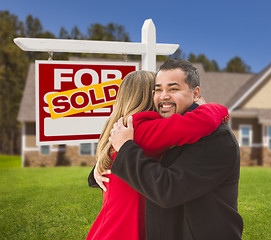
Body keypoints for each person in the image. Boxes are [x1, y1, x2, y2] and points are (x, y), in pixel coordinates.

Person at [95, 59, 244, 240]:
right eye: (158, 90)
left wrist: (123, 151)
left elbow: (167, 189)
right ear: (149, 96)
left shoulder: (216, 138)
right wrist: (215, 109)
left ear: (195, 93)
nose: (163, 96)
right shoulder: (140, 129)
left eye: (173, 89)